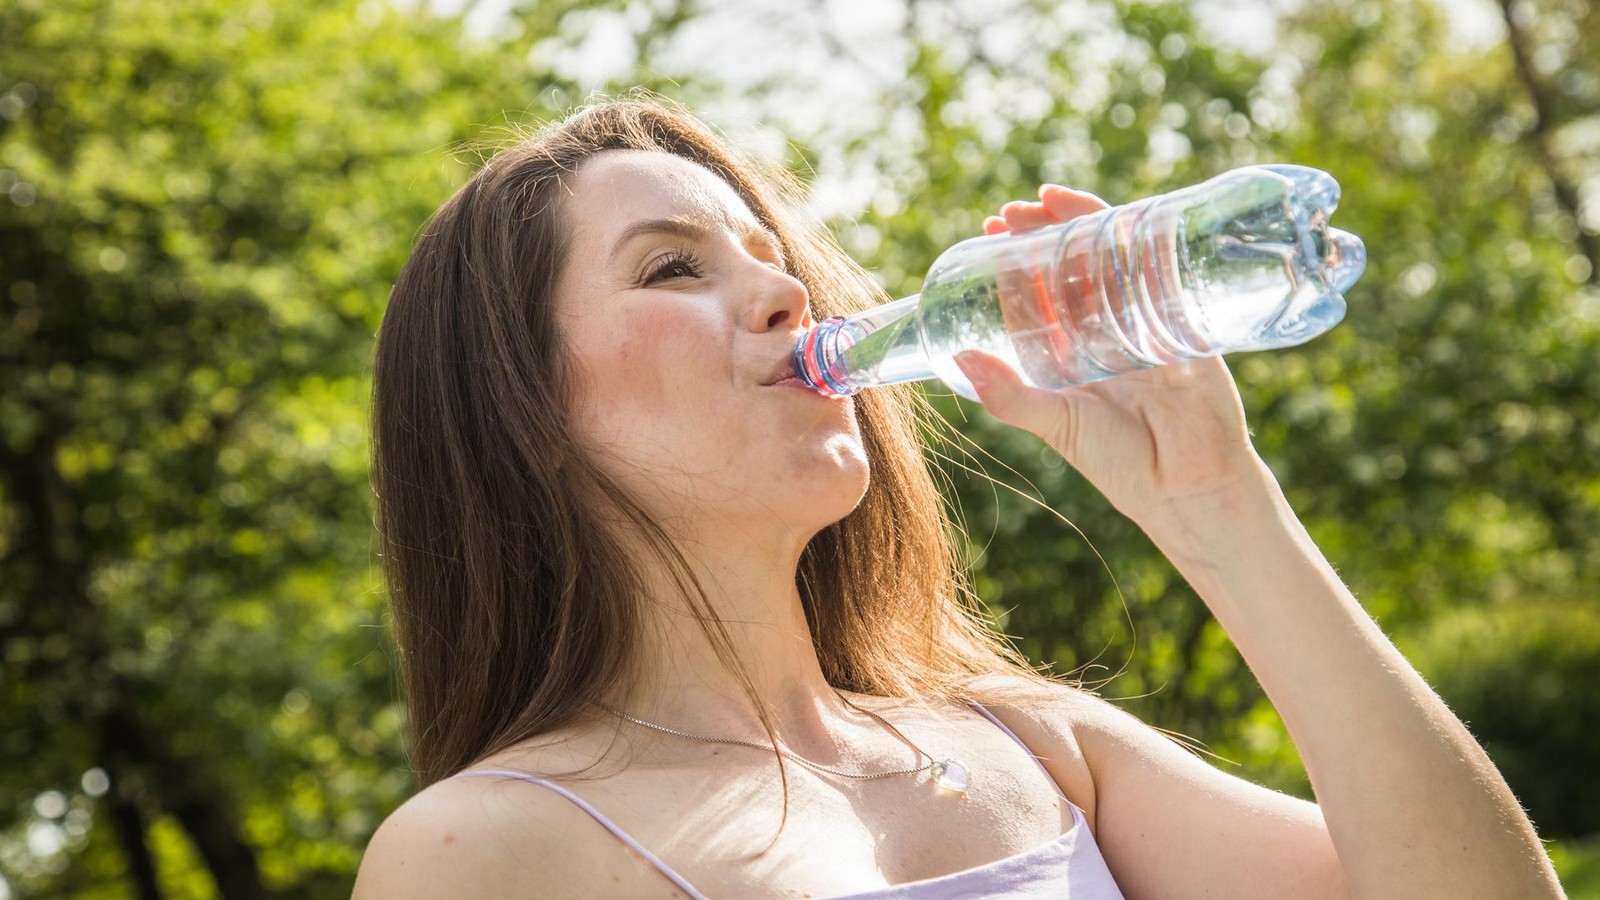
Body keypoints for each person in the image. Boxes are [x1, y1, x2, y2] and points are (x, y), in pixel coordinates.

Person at [353, 97, 1562, 899]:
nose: (785, 292)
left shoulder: (1032, 744)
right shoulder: (487, 849)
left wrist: (1217, 504)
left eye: (770, 255)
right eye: (674, 267)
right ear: (522, 411)